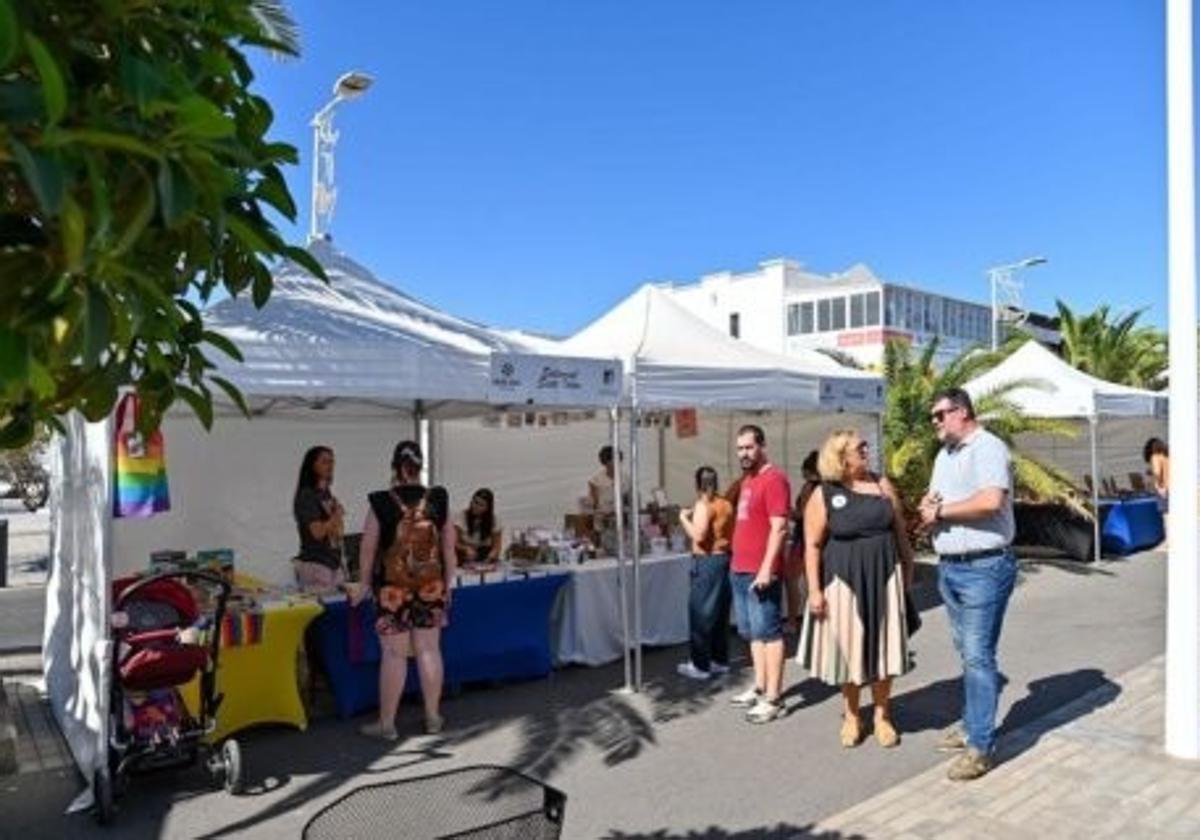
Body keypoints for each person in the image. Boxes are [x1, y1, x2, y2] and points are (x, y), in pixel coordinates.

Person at [918, 388, 1017, 781]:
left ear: (962, 412)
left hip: (984, 567)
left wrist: (939, 511)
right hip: (952, 567)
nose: (935, 423)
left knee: (977, 656)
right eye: (933, 417)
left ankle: (980, 746)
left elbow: (991, 500)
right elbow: (937, 496)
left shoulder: (987, 447)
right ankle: (974, 725)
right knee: (968, 652)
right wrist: (930, 504)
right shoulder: (946, 455)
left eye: (940, 415)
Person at [798, 431, 913, 748]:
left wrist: (909, 568)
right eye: (859, 447)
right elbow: (811, 545)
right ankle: (851, 716)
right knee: (849, 649)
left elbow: (900, 531)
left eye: (865, 445)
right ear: (840, 456)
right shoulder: (824, 493)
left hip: (884, 575)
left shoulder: (882, 484)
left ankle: (882, 716)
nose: (866, 449)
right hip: (843, 581)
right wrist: (814, 590)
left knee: (885, 647)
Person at [356, 441, 457, 740]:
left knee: (394, 655)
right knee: (429, 649)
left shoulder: (380, 502)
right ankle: (433, 716)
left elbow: (367, 549)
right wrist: (448, 585)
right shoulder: (438, 499)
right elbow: (449, 548)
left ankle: (387, 724)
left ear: (395, 467)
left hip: (392, 590)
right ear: (420, 466)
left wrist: (363, 583)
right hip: (431, 585)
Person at [727, 424, 792, 724]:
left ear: (762, 446)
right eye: (740, 448)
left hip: (760, 571)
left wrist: (766, 567)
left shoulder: (774, 479)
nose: (743, 453)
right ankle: (760, 685)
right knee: (753, 633)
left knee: (769, 632)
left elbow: (779, 527)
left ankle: (774, 698)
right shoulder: (747, 481)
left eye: (749, 447)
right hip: (740, 568)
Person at [676, 466, 735, 681]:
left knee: (700, 613)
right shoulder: (726, 503)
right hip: (723, 559)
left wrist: (683, 519)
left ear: (697, 483)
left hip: (707, 560)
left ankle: (700, 665)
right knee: (719, 613)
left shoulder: (704, 505)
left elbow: (699, 536)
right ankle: (719, 660)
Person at [292, 446, 347, 591]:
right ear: (312, 465)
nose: (330, 466)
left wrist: (338, 518)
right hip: (316, 564)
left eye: (332, 462)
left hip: (333, 564)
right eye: (325, 461)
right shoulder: (307, 496)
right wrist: (336, 516)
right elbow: (317, 533)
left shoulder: (327, 494)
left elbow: (338, 534)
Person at [784, 450, 821, 633]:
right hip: (818, 539)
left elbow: (804, 515)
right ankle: (814, 620)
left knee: (791, 579)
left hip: (803, 539)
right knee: (814, 581)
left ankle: (792, 621)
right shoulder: (826, 487)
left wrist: (789, 512)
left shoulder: (809, 487)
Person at [454, 488, 503, 565]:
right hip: (464, 557)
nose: (476, 506)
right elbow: (455, 542)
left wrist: (491, 556)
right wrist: (465, 549)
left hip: (485, 557)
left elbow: (497, 547)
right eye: (475, 502)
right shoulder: (461, 517)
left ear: (487, 508)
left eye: (481, 505)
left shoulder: (494, 520)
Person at [1143, 437, 1170, 541]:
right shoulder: (1167, 456)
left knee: (1167, 517)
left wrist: (1159, 487)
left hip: (1164, 489)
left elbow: (1157, 474)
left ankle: (1169, 540)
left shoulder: (1155, 457)